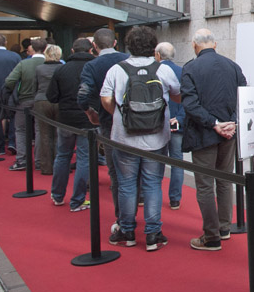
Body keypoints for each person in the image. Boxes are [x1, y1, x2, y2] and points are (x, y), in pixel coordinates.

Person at [100, 25, 180, 252]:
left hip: (124, 138)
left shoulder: (117, 69)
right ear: (153, 47)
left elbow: (105, 99)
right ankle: (153, 233)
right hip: (156, 138)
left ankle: (127, 231)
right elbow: (178, 95)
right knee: (153, 184)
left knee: (126, 185)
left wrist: (119, 115)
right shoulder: (162, 70)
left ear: (129, 46)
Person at [181, 29, 247, 251]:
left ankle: (211, 235)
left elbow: (190, 105)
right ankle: (224, 227)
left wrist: (214, 123)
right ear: (215, 44)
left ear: (194, 45)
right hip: (229, 133)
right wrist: (233, 122)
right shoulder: (233, 66)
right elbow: (244, 97)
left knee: (205, 185)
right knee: (225, 180)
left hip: (204, 134)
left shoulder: (190, 68)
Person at [77, 28, 130, 233]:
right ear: (115, 43)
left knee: (116, 171)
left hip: (107, 121)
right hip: (134, 119)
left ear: (94, 46)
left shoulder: (92, 65)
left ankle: (123, 219)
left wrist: (89, 112)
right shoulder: (128, 59)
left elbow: (83, 94)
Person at [48, 38, 96, 210]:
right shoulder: (94, 67)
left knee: (63, 155)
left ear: (72, 50)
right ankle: (78, 199)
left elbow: (51, 96)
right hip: (87, 119)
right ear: (91, 50)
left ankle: (57, 194)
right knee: (84, 159)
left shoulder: (62, 69)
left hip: (66, 118)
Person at [4, 37, 47, 171]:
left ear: (31, 49)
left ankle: (22, 160)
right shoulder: (49, 62)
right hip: (43, 100)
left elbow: (9, 81)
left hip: (25, 99)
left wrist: (17, 89)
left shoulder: (24, 64)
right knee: (40, 130)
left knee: (21, 130)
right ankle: (40, 160)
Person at [154, 42, 186, 211]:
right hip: (177, 124)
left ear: (158, 55)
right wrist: (179, 117)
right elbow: (187, 98)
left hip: (158, 124)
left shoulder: (154, 71)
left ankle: (153, 195)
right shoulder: (182, 72)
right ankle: (175, 199)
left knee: (157, 161)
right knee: (177, 161)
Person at [33, 44, 63, 176]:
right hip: (58, 101)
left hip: (41, 100)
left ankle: (46, 167)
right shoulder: (62, 68)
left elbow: (35, 86)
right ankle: (59, 164)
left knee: (44, 134)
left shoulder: (39, 68)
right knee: (58, 134)